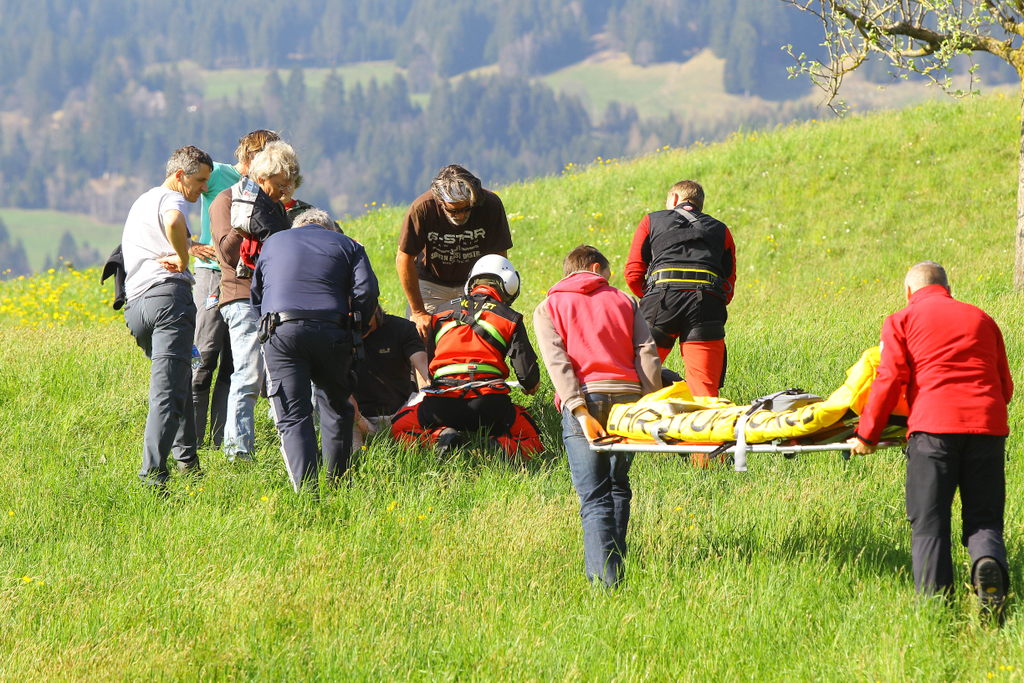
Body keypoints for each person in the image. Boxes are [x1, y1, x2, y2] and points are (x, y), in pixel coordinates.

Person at [848, 262, 1013, 615]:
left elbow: (889, 378)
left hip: (933, 429)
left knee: (929, 521)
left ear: (909, 291)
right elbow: (1005, 388)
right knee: (984, 517)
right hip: (988, 427)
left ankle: (937, 608)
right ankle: (988, 565)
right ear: (948, 288)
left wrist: (867, 434)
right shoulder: (982, 319)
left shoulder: (901, 320)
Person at [534, 245, 662, 588]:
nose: (608, 280)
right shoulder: (625, 301)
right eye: (607, 274)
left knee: (594, 497)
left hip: (585, 402)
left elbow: (557, 363)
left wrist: (578, 409)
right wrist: (650, 403)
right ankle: (615, 569)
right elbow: (646, 352)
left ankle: (606, 586)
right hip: (629, 404)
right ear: (595, 268)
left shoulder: (548, 307)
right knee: (618, 485)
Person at [251, 208, 379, 493]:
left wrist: (268, 328)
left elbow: (256, 295)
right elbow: (367, 290)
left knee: (293, 416)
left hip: (281, 331)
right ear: (330, 229)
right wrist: (355, 327)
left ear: (296, 228)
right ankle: (338, 486)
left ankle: (308, 495)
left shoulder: (273, 242)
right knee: (337, 408)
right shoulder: (348, 244)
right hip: (333, 330)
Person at [391, 255, 543, 460]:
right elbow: (528, 378)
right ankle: (496, 447)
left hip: (442, 404)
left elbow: (432, 369)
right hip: (490, 405)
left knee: (399, 427)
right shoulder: (510, 317)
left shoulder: (439, 313)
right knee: (533, 440)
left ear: (472, 281)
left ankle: (440, 439)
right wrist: (530, 385)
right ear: (509, 285)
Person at [122, 145, 212, 488]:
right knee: (167, 393)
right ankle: (153, 480)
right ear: (179, 176)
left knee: (177, 380)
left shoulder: (141, 201)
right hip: (168, 300)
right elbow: (174, 221)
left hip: (137, 306)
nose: (203, 188)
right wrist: (184, 258)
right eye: (199, 180)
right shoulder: (171, 198)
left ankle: (188, 463)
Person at [210, 141, 299, 463]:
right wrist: (243, 220)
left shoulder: (276, 207)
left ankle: (286, 445)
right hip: (241, 295)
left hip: (273, 298)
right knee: (248, 374)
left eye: (289, 186)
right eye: (280, 185)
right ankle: (238, 452)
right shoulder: (227, 199)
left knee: (280, 374)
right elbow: (227, 253)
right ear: (262, 177)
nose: (285, 192)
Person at [191, 129, 280, 448]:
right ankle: (191, 441)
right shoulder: (219, 173)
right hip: (214, 274)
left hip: (245, 280)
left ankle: (219, 442)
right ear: (254, 156)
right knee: (205, 356)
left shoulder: (265, 190)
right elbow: (177, 190)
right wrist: (188, 244)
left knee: (234, 364)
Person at [624, 180, 736, 398]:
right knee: (704, 392)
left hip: (661, 302)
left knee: (635, 380)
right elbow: (728, 284)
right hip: (707, 304)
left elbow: (633, 274)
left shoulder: (651, 221)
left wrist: (650, 295)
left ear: (674, 198)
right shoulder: (721, 229)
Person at [396, 165, 513, 338]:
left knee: (487, 334)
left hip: (475, 283)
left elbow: (498, 257)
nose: (460, 216)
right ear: (440, 201)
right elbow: (403, 259)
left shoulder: (490, 205)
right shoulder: (422, 208)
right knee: (423, 337)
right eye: (453, 210)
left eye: (466, 209)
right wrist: (419, 312)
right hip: (431, 285)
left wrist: (493, 298)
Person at [350, 305, 430, 453]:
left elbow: (424, 367)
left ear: (374, 307)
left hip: (403, 412)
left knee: (429, 400)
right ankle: (355, 459)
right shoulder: (340, 333)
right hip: (359, 416)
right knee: (341, 406)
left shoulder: (401, 328)